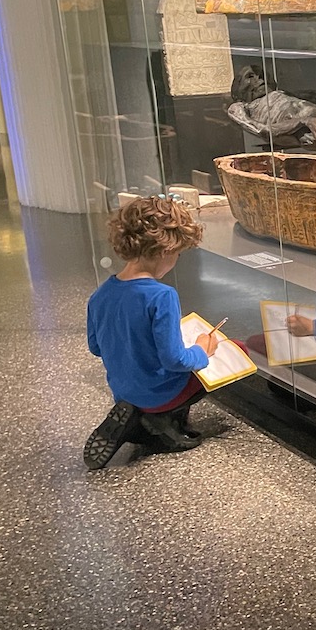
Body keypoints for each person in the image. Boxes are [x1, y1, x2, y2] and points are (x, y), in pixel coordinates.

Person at [83, 197, 219, 470]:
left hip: (123, 391)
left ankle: (138, 419)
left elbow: (96, 347)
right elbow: (175, 360)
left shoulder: (100, 295)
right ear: (165, 250)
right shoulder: (162, 296)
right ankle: (163, 421)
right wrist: (203, 349)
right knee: (229, 351)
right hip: (158, 393)